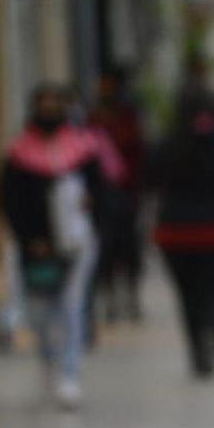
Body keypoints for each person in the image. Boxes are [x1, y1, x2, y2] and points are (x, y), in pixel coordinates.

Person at [0, 84, 110, 409]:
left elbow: (103, 194)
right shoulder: (18, 155)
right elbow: (11, 203)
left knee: (72, 307)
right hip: (37, 249)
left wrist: (93, 214)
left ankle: (70, 374)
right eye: (43, 105)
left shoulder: (84, 150)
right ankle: (49, 362)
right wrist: (30, 239)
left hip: (77, 245)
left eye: (54, 105)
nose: (49, 111)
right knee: (41, 313)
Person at [145, 91, 214, 378]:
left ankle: (197, 348)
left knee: (188, 295)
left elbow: (149, 179)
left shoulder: (167, 145)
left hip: (177, 233)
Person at [89, 67, 147, 322]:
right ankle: (111, 299)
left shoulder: (128, 117)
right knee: (106, 247)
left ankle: (131, 298)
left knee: (128, 247)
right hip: (102, 196)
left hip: (125, 192)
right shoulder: (94, 118)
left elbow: (139, 151)